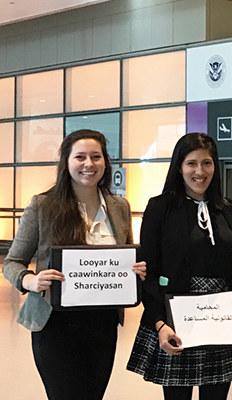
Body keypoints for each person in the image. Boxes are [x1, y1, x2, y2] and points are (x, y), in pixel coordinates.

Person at [2, 129, 147, 400]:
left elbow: (126, 256)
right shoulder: (43, 206)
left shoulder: (119, 207)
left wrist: (135, 271)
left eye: (96, 157)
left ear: (106, 162)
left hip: (103, 324)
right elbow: (12, 261)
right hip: (55, 324)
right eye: (80, 157)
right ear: (66, 162)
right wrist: (29, 280)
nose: (88, 164)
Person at [126, 133, 232, 400]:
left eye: (207, 163)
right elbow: (148, 273)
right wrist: (159, 323)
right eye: (192, 163)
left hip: (222, 319)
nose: (200, 171)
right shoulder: (159, 208)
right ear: (179, 166)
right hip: (176, 320)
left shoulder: (228, 209)